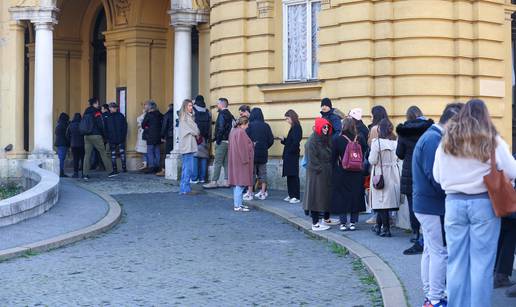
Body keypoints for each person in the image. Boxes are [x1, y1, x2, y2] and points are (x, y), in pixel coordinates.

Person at [433, 99, 516, 307]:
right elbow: (512, 170)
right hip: (483, 204)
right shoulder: (491, 139)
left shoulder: (447, 139)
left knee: (456, 262)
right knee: (482, 265)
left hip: (453, 203)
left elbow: (437, 175)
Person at [413, 102, 463, 307]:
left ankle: (430, 293)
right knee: (439, 252)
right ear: (451, 121)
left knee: (431, 251)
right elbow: (435, 178)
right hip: (433, 206)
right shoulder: (434, 139)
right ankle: (434, 298)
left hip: (425, 205)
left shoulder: (431, 136)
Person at [396, 106, 434, 255]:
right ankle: (427, 233)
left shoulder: (404, 131)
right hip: (425, 168)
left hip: (409, 170)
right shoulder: (429, 128)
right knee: (428, 201)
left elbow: (399, 154)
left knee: (412, 204)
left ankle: (415, 233)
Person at [332, 117, 367, 231]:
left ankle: (343, 223)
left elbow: (333, 157)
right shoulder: (360, 139)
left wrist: (336, 169)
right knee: (355, 196)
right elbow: (364, 152)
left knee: (342, 197)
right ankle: (353, 222)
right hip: (357, 172)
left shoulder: (338, 139)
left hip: (343, 171)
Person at [369, 118, 400, 237]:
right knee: (386, 202)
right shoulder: (395, 142)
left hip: (380, 173)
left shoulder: (377, 143)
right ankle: (378, 226)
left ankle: (385, 229)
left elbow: (372, 160)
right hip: (393, 173)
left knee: (381, 203)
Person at [303, 118, 334, 231]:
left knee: (323, 198)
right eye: (324, 127)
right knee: (315, 198)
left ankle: (321, 221)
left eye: (327, 127)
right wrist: (320, 168)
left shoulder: (325, 139)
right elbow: (312, 160)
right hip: (316, 174)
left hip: (324, 172)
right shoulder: (312, 141)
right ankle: (315, 223)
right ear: (319, 127)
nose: (325, 129)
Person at [203, 98, 234, 189]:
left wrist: (218, 140)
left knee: (217, 162)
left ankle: (214, 181)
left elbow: (220, 128)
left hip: (222, 142)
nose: (217, 105)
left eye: (218, 104)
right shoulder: (230, 115)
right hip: (228, 141)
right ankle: (226, 181)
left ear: (221, 104)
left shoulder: (222, 114)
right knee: (226, 162)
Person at [244, 108, 274, 200]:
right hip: (263, 152)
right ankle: (263, 192)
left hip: (251, 153)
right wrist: (265, 147)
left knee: (251, 173)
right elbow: (271, 140)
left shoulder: (250, 126)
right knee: (263, 173)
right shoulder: (266, 126)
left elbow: (245, 140)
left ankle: (250, 193)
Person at [82, 97, 113, 180]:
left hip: (86, 136)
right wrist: (104, 135)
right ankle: (110, 171)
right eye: (98, 103)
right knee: (103, 153)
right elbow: (101, 124)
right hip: (96, 135)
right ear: (95, 103)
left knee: (87, 155)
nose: (98, 104)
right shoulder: (96, 112)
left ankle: (85, 174)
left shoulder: (86, 112)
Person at [228, 116, 254, 212]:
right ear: (244, 124)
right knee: (240, 183)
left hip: (235, 160)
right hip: (241, 161)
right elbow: (243, 148)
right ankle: (237, 205)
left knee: (237, 184)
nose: (247, 127)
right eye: (247, 125)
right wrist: (251, 146)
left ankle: (239, 204)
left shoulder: (233, 131)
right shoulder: (241, 132)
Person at [177, 99, 200, 195]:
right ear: (185, 107)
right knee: (188, 168)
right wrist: (196, 132)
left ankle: (184, 188)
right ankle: (185, 189)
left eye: (192, 106)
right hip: (187, 145)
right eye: (189, 106)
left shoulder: (188, 117)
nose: (191, 107)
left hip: (188, 144)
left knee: (187, 167)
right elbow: (192, 130)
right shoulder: (184, 117)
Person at [280, 110, 303, 204]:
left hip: (292, 155)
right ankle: (291, 194)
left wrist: (289, 151)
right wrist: (284, 140)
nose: (287, 120)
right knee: (289, 175)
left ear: (292, 117)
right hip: (289, 154)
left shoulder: (297, 127)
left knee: (293, 175)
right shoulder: (293, 127)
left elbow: (295, 142)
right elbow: (290, 141)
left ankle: (296, 196)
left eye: (287, 118)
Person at [105, 102, 128, 175]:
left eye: (113, 107)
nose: (112, 108)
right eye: (111, 107)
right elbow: (105, 128)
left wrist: (123, 136)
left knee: (120, 153)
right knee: (114, 154)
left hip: (118, 137)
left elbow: (125, 127)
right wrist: (107, 137)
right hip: (113, 138)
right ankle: (116, 168)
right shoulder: (109, 116)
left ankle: (123, 168)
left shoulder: (118, 116)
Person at [192, 95, 211, 184]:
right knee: (204, 157)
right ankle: (202, 178)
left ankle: (194, 178)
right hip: (205, 137)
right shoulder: (207, 111)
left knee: (195, 157)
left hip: (196, 136)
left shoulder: (193, 110)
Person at [142, 100, 163, 174]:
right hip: (158, 136)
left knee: (150, 152)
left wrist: (147, 127)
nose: (145, 107)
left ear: (149, 107)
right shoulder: (160, 114)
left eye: (146, 105)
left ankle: (151, 167)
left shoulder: (148, 115)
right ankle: (157, 166)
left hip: (150, 135)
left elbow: (143, 124)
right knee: (157, 151)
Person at [66, 113, 85, 178]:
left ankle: (75, 173)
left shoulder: (70, 125)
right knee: (83, 159)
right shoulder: (82, 124)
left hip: (73, 144)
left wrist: (70, 141)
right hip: (82, 144)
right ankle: (83, 173)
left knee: (75, 159)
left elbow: (67, 135)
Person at [55, 112, 70, 178]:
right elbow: (67, 135)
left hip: (59, 143)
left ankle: (60, 172)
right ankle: (60, 172)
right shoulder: (64, 125)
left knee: (61, 158)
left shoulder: (59, 124)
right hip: (63, 143)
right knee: (61, 159)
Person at [136, 103, 149, 170]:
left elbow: (140, 122)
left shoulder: (145, 116)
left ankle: (146, 164)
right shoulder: (144, 116)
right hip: (143, 135)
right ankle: (145, 163)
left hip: (144, 135)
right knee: (145, 150)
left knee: (145, 150)